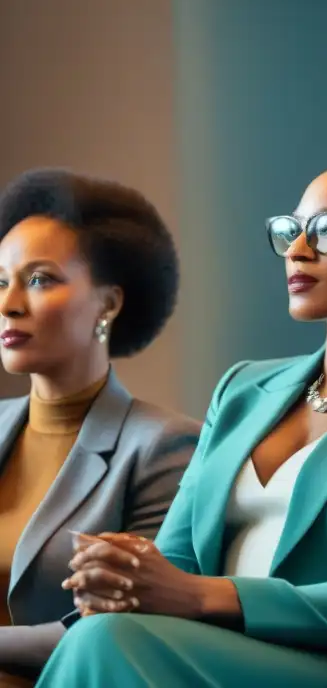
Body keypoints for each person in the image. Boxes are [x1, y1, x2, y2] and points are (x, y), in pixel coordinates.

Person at [37, 162, 327, 688]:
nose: (298, 250)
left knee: (105, 642)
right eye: (291, 230)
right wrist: (129, 577)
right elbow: (178, 556)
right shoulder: (243, 388)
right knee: (101, 633)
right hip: (199, 645)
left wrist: (202, 596)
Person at [0, 169, 200, 685]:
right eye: (1, 280)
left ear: (108, 305)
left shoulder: (164, 447)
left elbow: (118, 628)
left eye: (40, 279)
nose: (8, 305)